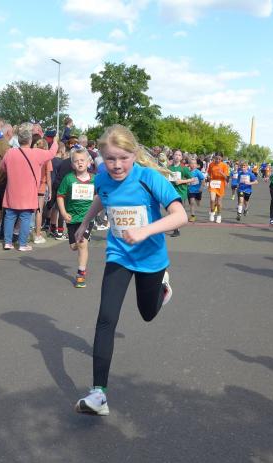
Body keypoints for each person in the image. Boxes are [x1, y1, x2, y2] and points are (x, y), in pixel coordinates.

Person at [72, 125, 187, 416]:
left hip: (151, 258)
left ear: (134, 155)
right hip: (119, 255)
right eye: (110, 159)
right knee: (106, 319)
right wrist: (85, 223)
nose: (117, 165)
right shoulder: (103, 179)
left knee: (147, 313)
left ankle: (162, 288)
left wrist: (145, 230)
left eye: (123, 158)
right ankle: (98, 394)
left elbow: (180, 216)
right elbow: (102, 198)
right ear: (102, 158)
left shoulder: (149, 178)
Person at [0, 122, 59, 251]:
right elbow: (52, 153)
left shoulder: (10, 152)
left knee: (10, 216)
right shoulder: (36, 153)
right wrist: (55, 141)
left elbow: (3, 167)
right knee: (25, 217)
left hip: (12, 191)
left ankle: (8, 242)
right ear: (30, 140)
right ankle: (22, 244)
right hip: (29, 192)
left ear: (19, 140)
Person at [56, 147, 95, 288]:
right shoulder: (69, 179)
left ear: (88, 162)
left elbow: (99, 196)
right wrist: (63, 212)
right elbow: (60, 196)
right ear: (72, 164)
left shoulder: (95, 179)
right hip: (72, 218)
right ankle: (77, 243)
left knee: (82, 243)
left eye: (82, 160)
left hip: (87, 218)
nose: (80, 163)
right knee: (74, 246)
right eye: (76, 161)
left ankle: (81, 274)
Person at [167, 149, 194, 234]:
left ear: (181, 157)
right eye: (176, 154)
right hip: (171, 191)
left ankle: (177, 228)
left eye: (179, 155)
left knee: (178, 210)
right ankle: (176, 228)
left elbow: (192, 179)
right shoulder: (169, 168)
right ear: (173, 156)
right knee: (172, 210)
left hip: (181, 192)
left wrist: (181, 181)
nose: (177, 156)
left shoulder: (184, 168)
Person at [206, 153, 229, 223]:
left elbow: (227, 178)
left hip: (220, 185)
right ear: (214, 158)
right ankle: (212, 212)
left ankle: (219, 215)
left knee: (219, 203)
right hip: (213, 183)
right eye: (216, 158)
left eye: (219, 159)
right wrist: (208, 177)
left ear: (222, 158)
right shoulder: (211, 164)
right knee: (212, 199)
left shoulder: (224, 165)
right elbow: (209, 173)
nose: (217, 160)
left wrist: (222, 173)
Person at [187, 157, 205, 222]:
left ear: (197, 165)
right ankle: (193, 216)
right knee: (192, 203)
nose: (193, 165)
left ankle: (198, 200)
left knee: (198, 203)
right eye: (192, 163)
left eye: (195, 163)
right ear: (189, 164)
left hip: (198, 190)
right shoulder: (188, 172)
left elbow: (203, 180)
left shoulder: (198, 172)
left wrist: (201, 187)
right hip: (190, 190)